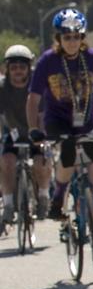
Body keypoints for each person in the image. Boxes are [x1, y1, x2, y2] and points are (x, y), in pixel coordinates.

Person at [26, 8, 93, 266]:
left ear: (83, 37)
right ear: (58, 38)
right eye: (66, 36)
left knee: (92, 180)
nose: (71, 41)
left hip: (86, 123)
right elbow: (34, 98)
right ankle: (58, 196)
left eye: (76, 36)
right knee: (68, 151)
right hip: (57, 123)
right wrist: (33, 129)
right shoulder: (48, 61)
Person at [2, 45, 51, 221]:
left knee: (40, 163)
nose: (17, 71)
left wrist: (41, 135)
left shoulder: (37, 86)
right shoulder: (2, 87)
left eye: (22, 67)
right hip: (13, 132)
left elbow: (43, 114)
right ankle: (7, 205)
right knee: (7, 162)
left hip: (35, 130)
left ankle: (44, 197)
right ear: (6, 69)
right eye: (13, 67)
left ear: (29, 68)